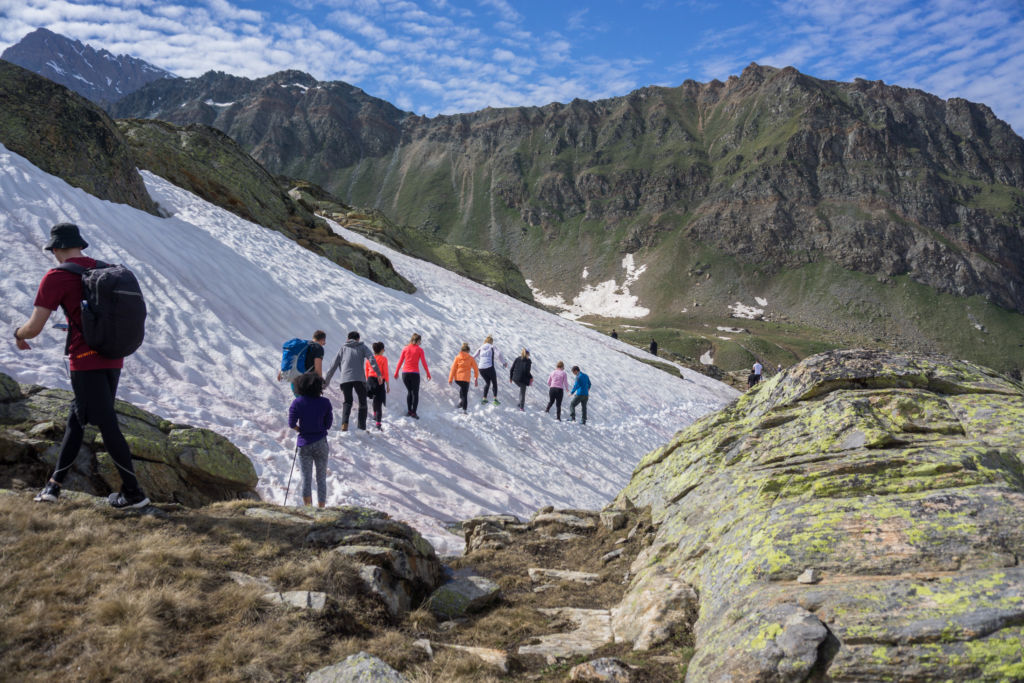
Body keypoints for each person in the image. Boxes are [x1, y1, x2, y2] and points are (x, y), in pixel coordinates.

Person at [14, 223, 149, 508]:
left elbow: (34, 327)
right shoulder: (103, 270)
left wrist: (18, 334)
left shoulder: (57, 277)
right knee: (77, 416)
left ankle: (134, 493)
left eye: (53, 250)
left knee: (106, 421)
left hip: (85, 360)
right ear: (79, 245)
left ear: (58, 249)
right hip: (114, 354)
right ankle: (53, 486)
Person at [288, 372, 333, 507]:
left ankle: (308, 508)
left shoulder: (298, 402)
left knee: (306, 478)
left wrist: (300, 430)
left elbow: (291, 423)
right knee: (321, 478)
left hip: (304, 443)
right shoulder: (325, 403)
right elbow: (328, 424)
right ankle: (321, 508)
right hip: (321, 442)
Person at [324, 331, 381, 431]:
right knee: (363, 402)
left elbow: (333, 365)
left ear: (348, 339)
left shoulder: (343, 348)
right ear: (358, 339)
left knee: (348, 401)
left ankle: (344, 424)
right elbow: (372, 359)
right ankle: (361, 427)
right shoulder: (362, 347)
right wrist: (379, 374)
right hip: (359, 379)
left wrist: (326, 382)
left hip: (345, 379)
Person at [278, 330, 326, 396]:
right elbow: (318, 366)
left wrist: (281, 371)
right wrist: (319, 383)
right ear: (323, 340)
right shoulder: (318, 348)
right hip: (306, 381)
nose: (324, 344)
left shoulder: (304, 345)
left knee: (300, 402)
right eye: (324, 342)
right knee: (309, 403)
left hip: (294, 380)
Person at [394, 333, 431, 418]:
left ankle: (409, 411)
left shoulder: (405, 348)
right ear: (417, 341)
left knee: (409, 392)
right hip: (414, 374)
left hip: (405, 374)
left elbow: (400, 361)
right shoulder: (419, 350)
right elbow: (424, 362)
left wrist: (396, 372)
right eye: (420, 341)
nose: (420, 343)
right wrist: (428, 373)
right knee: (415, 393)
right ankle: (413, 412)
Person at [473, 335, 507, 404]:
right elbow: (499, 354)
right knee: (494, 382)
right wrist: (504, 363)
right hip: (489, 367)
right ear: (491, 341)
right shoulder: (492, 346)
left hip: (481, 368)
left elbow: (473, 356)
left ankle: (484, 398)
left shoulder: (481, 347)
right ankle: (495, 399)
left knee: (487, 382)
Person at [448, 343, 480, 413]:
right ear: (468, 351)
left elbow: (453, 368)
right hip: (465, 379)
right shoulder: (471, 358)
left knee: (462, 389)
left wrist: (450, 379)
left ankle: (460, 402)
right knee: (465, 394)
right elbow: (476, 369)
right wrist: (476, 378)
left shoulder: (457, 357)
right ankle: (464, 410)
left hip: (457, 379)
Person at [365, 341, 389, 430]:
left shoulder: (369, 359)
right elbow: (385, 373)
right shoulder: (383, 359)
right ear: (382, 350)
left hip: (370, 380)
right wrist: (387, 385)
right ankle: (378, 423)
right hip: (379, 381)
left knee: (374, 398)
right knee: (378, 402)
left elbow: (366, 371)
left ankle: (375, 414)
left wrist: (368, 383)